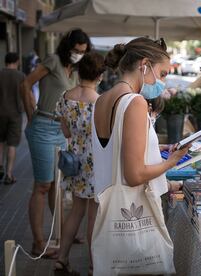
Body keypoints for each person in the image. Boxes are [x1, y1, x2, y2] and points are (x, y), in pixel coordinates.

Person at [92, 37, 190, 273]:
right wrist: (171, 162)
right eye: (163, 73)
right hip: (134, 216)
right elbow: (135, 174)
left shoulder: (102, 99)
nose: (163, 82)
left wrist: (156, 149)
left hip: (109, 214)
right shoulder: (135, 102)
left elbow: (116, 149)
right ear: (144, 64)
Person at [20, 28, 91, 258]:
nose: (79, 54)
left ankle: (63, 234)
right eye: (76, 50)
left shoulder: (75, 70)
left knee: (56, 186)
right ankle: (38, 242)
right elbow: (26, 84)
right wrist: (31, 114)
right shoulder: (53, 61)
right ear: (67, 47)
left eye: (83, 51)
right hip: (43, 127)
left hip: (61, 129)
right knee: (42, 185)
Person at [53, 52, 105, 275]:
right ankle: (94, 266)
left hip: (74, 162)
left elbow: (65, 131)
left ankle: (61, 258)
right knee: (94, 216)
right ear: (100, 75)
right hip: (95, 164)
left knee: (76, 211)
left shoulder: (66, 97)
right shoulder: (101, 102)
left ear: (79, 71)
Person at [0, 52, 25, 184]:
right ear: (17, 61)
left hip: (0, 113)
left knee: (0, 141)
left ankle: (0, 167)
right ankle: (9, 174)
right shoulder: (21, 76)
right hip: (15, 114)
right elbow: (25, 95)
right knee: (12, 144)